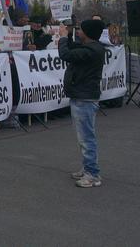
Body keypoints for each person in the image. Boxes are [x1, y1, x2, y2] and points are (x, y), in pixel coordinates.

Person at [58, 19, 107, 188]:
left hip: (84, 98)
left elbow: (66, 54)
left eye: (80, 30)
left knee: (86, 138)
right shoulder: (91, 47)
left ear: (87, 33)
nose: (77, 32)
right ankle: (88, 167)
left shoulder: (92, 50)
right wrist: (68, 35)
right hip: (82, 96)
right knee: (84, 137)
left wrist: (63, 38)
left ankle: (92, 173)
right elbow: (74, 49)